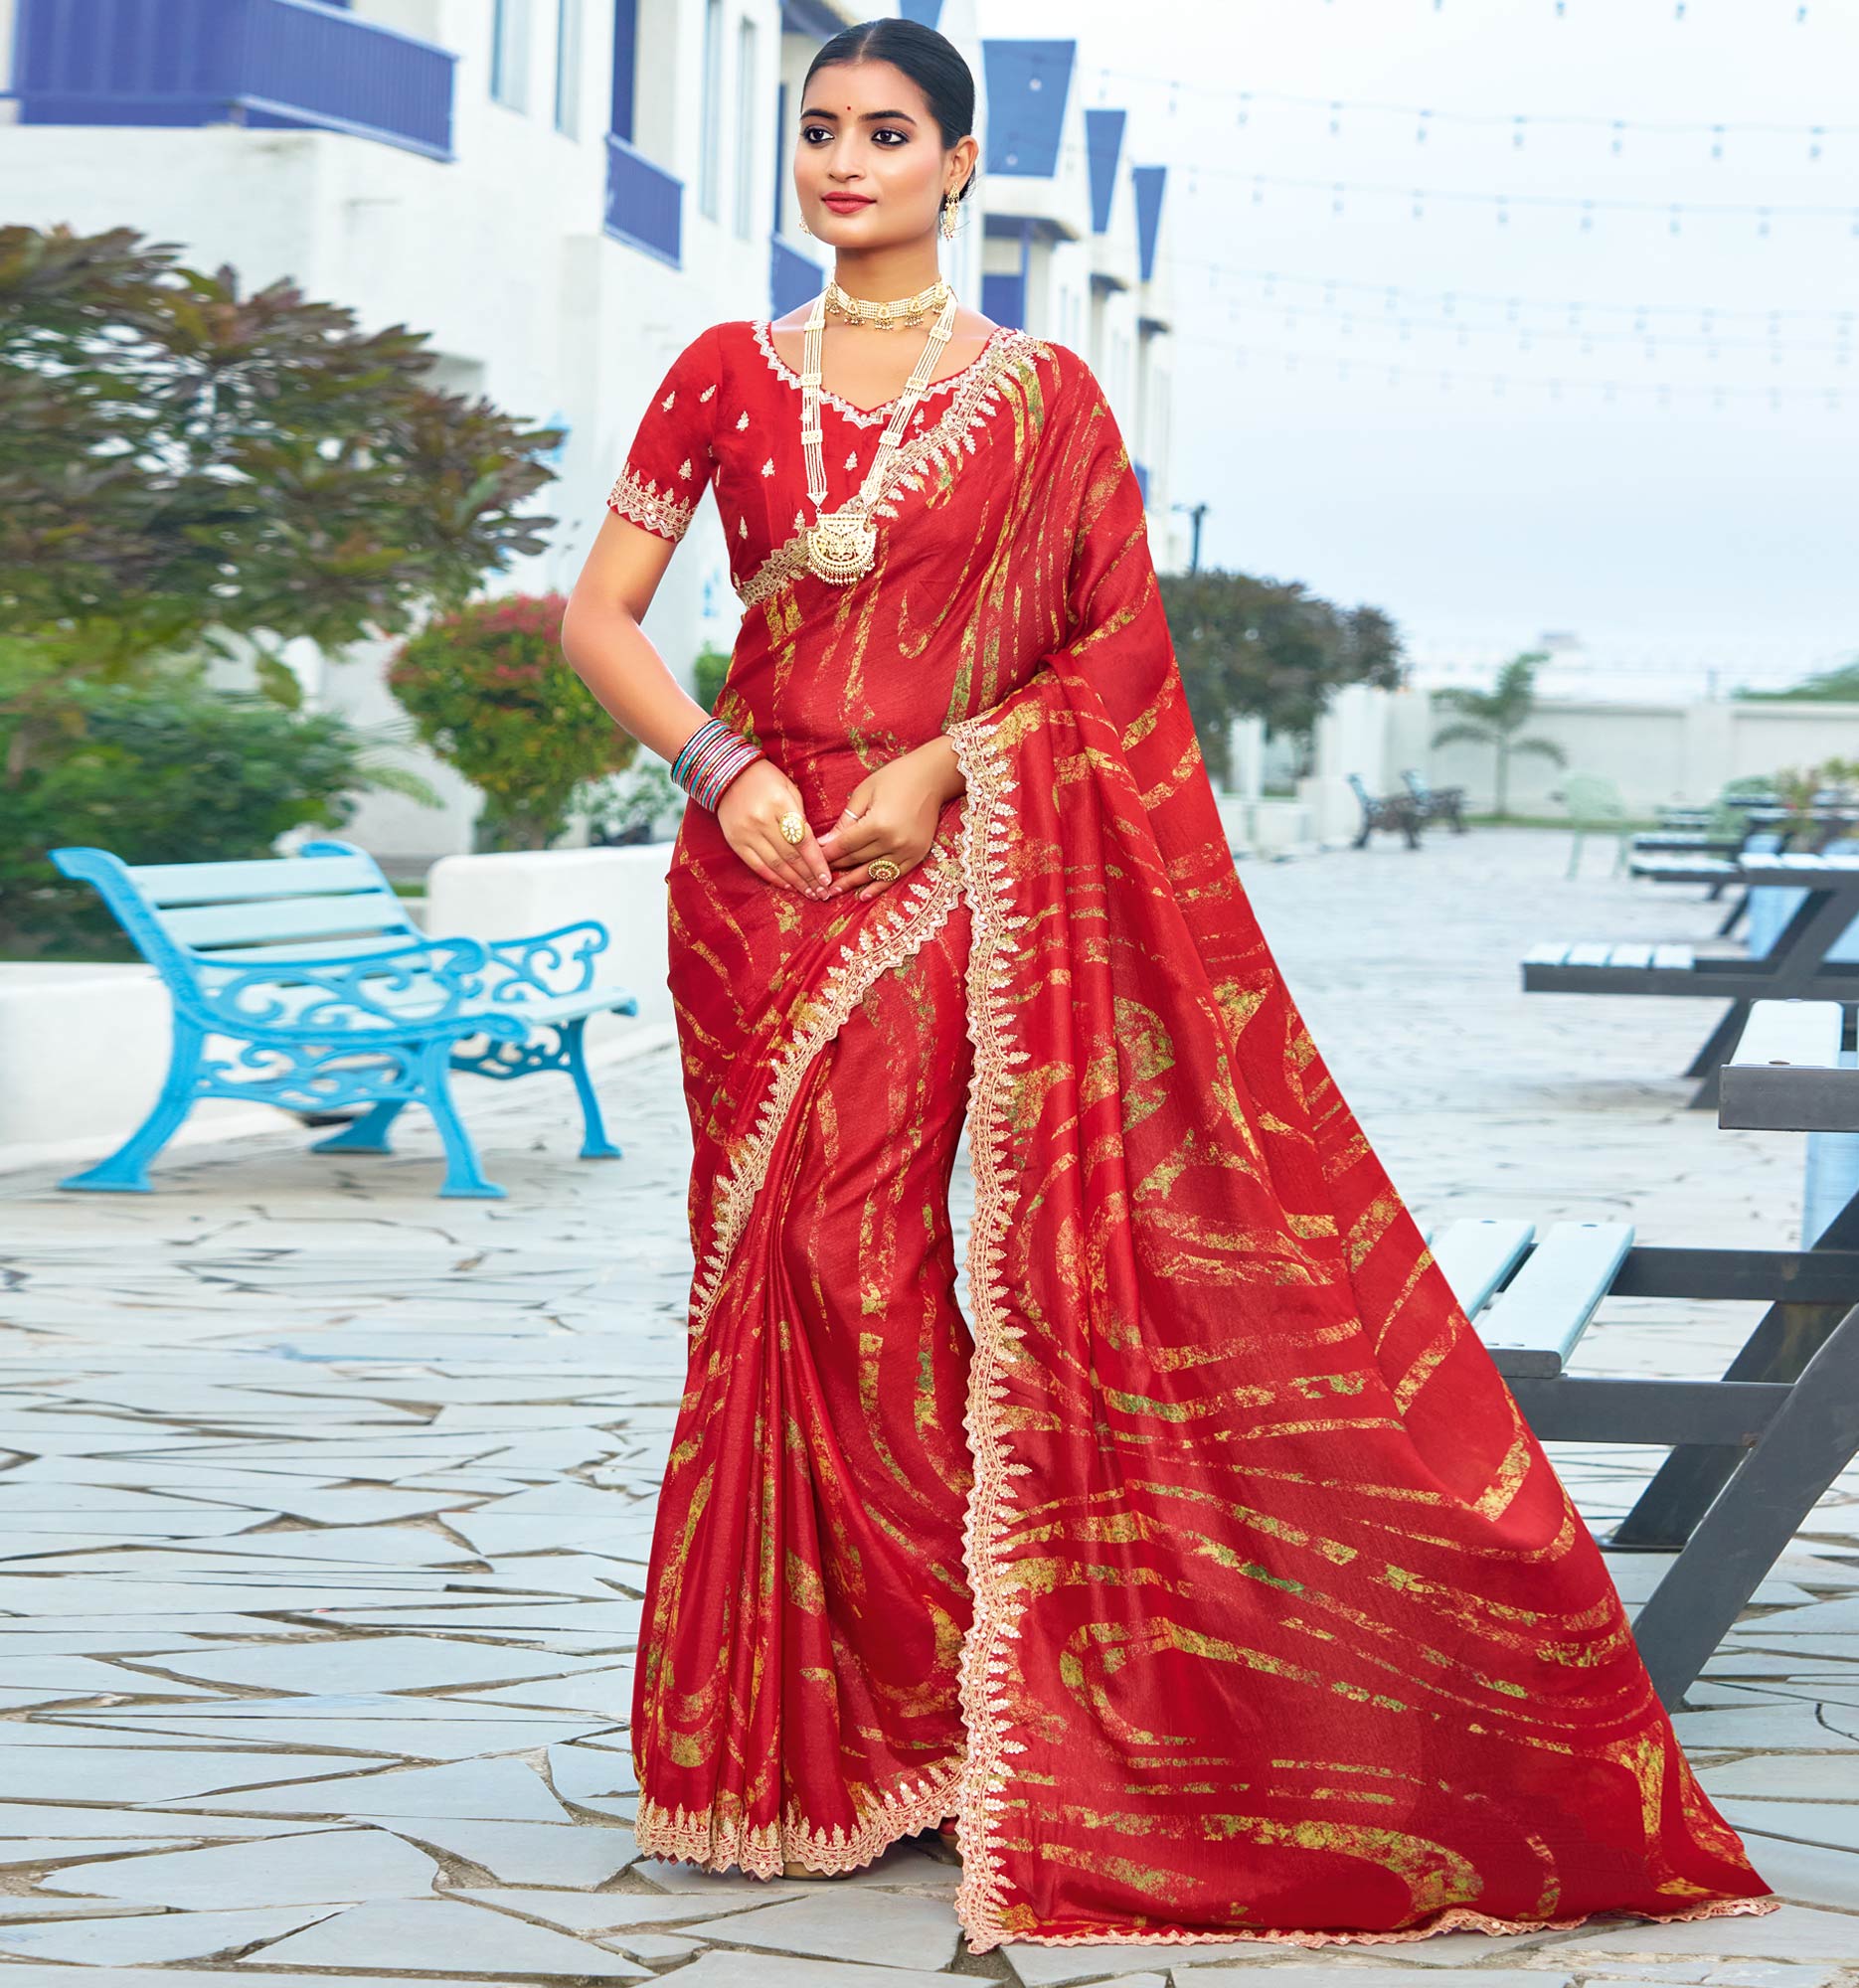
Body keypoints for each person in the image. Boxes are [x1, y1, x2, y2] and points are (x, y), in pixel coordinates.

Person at [560, 15, 1778, 1959]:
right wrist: (728, 775)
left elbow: (1112, 654)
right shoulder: (719, 375)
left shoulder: (1041, 401)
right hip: (747, 881)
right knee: (761, 1277)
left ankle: (935, 1705)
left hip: (931, 871)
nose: (843, 159)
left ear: (960, 166)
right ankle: (782, 1742)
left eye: (886, 132)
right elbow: (596, 614)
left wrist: (937, 765)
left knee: (868, 1274)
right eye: (816, 131)